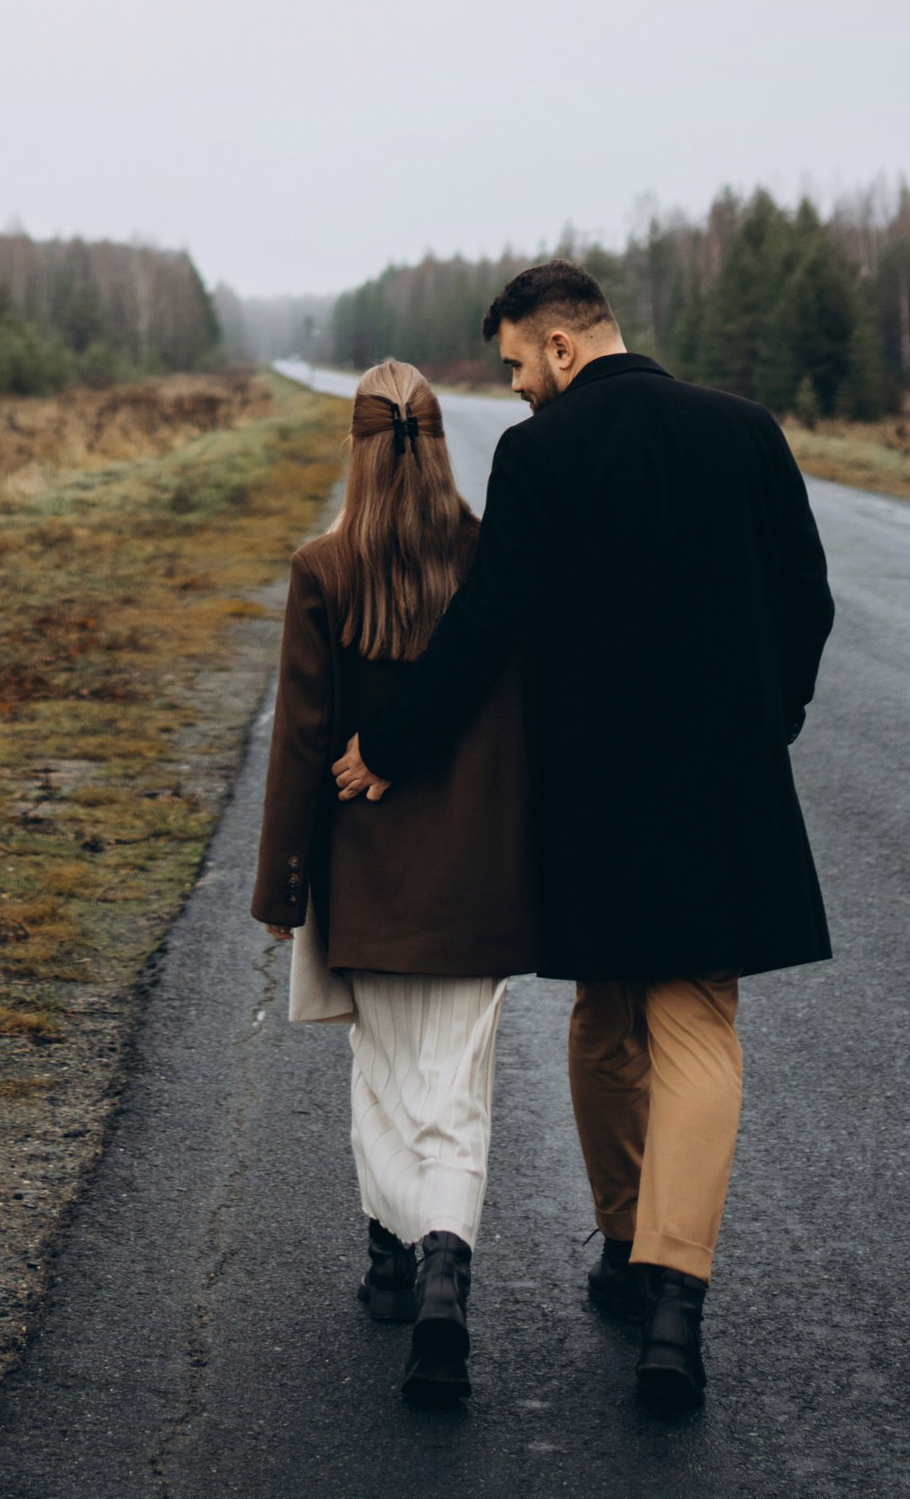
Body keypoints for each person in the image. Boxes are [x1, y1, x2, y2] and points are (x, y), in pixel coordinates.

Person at [335, 262, 836, 1419]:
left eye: (514, 364)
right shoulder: (745, 432)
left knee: (605, 1017)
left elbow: (489, 623)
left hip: (594, 798)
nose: (511, 388)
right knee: (696, 1021)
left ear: (562, 348)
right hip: (723, 786)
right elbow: (804, 600)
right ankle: (671, 1297)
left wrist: (393, 740)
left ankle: (623, 1248)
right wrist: (772, 722)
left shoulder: (544, 455)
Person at [251, 360, 536, 1410]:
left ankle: (391, 1261)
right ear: (436, 442)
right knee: (454, 1093)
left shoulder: (323, 568)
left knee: (382, 1080)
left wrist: (283, 888)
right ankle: (443, 1269)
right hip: (478, 878)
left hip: (365, 877)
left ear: (357, 446)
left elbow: (301, 745)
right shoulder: (488, 556)